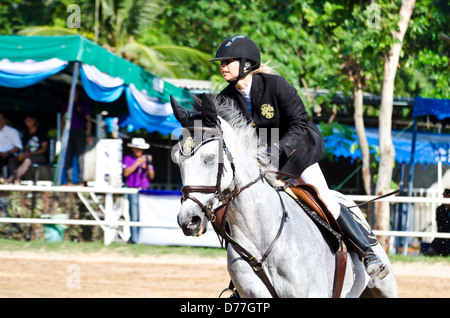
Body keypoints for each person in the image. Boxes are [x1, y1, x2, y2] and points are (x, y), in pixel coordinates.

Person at [210, 35, 389, 279]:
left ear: (246, 64)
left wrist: (280, 149)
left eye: (228, 61)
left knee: (325, 198)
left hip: (297, 153)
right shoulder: (224, 99)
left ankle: (369, 254)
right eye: (221, 62)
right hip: (261, 163)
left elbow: (299, 124)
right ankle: (242, 281)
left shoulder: (275, 85)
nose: (222, 66)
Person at [123, 138, 155, 243]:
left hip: (145, 191)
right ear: (133, 149)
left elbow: (151, 176)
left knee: (144, 215)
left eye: (141, 149)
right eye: (137, 149)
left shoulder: (145, 160)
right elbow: (126, 173)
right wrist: (138, 163)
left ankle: (144, 238)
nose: (139, 151)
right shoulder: (128, 159)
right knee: (134, 215)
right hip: (133, 190)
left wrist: (149, 164)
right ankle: (135, 239)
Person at [62, 88, 92, 186]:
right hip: (68, 132)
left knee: (80, 157)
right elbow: (63, 120)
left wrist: (87, 135)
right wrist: (63, 134)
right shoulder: (66, 105)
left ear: (78, 93)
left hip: (80, 132)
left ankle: (80, 181)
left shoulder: (83, 104)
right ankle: (69, 180)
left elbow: (88, 120)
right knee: (68, 157)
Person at [7, 114, 49, 184]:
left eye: (30, 120)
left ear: (34, 121)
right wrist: (25, 153)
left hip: (42, 156)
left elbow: (44, 149)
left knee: (28, 160)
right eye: (26, 120)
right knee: (13, 160)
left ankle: (11, 179)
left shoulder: (41, 132)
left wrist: (30, 154)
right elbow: (26, 147)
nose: (28, 122)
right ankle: (16, 180)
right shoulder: (27, 133)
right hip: (29, 155)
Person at [0, 112, 22, 181]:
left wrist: (8, 153)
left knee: (12, 160)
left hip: (11, 154)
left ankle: (14, 179)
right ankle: (2, 180)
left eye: (1, 119)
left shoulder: (12, 131)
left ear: (4, 120)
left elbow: (18, 146)